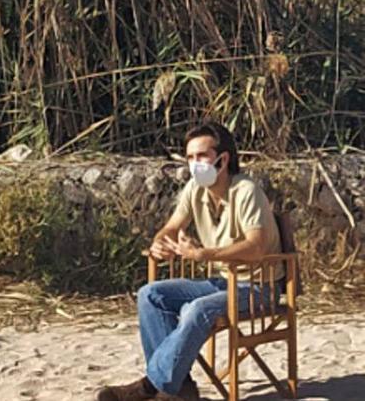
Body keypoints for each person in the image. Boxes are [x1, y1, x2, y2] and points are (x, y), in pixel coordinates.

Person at [98, 121, 284, 401]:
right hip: (222, 281)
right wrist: (161, 243)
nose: (195, 164)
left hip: (259, 286)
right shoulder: (194, 190)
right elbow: (171, 227)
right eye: (190, 157)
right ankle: (179, 386)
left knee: (197, 309)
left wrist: (203, 254)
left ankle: (152, 386)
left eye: (202, 156)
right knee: (151, 294)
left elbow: (256, 247)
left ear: (223, 159)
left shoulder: (246, 191)